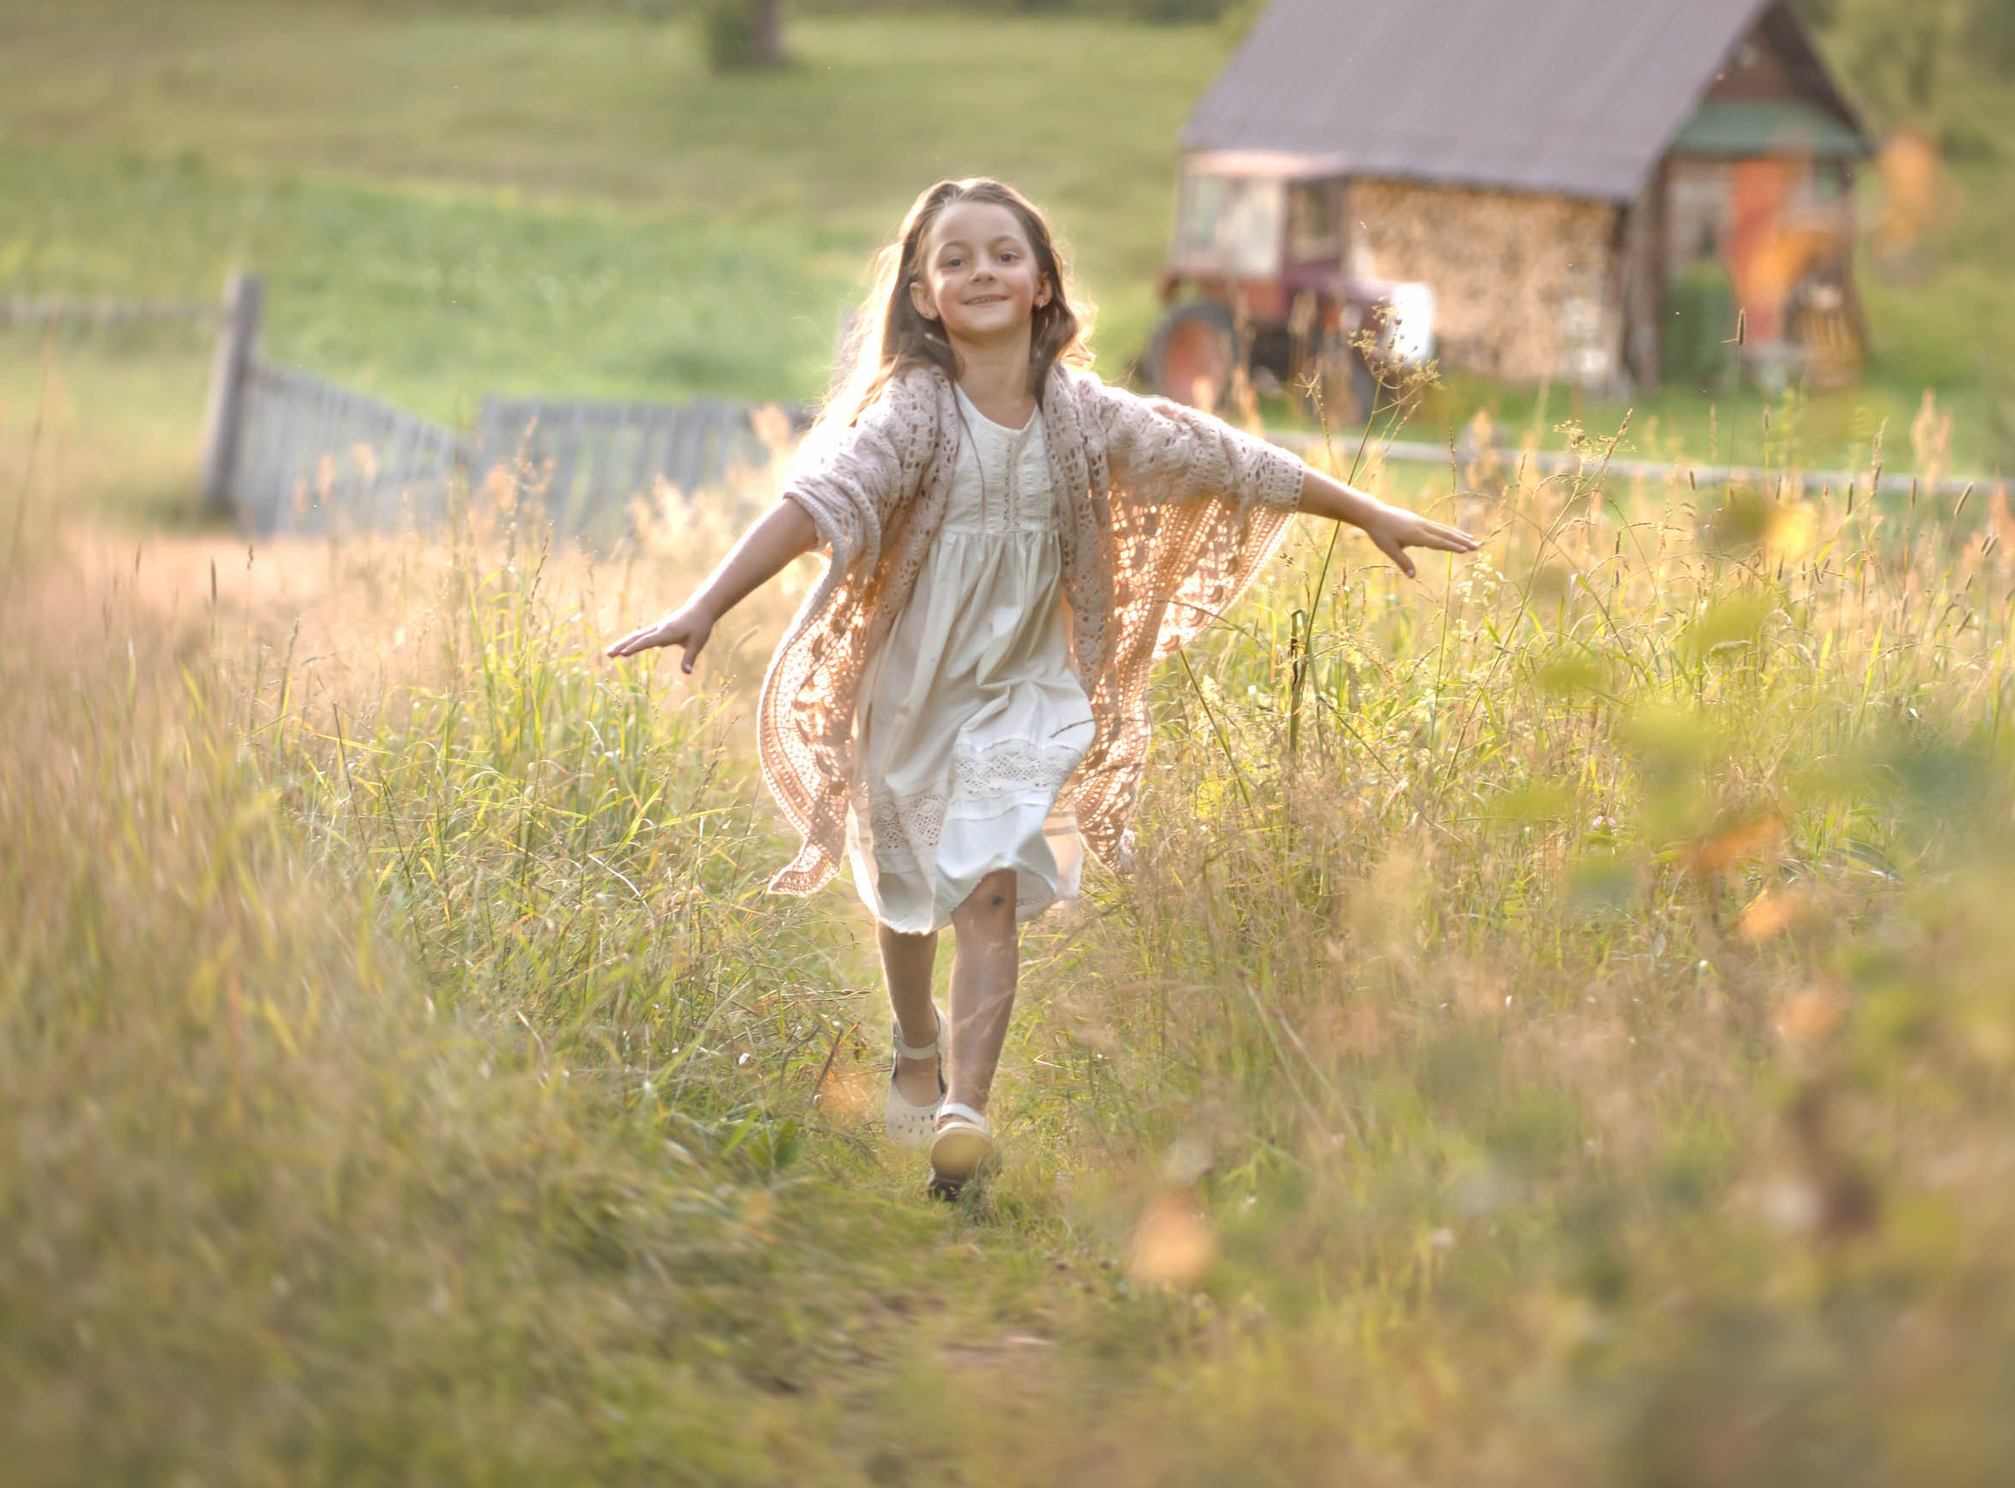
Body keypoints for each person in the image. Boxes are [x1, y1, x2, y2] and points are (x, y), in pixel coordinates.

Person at [608, 177, 1476, 1199]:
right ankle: (914, 1042)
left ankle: (964, 1115)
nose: (981, 271)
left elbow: (1230, 460)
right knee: (904, 886)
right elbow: (815, 502)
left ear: (1043, 281)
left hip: (1027, 686)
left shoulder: (1083, 418)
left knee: (989, 891)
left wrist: (1365, 507)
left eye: (1003, 253)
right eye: (955, 258)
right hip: (912, 685)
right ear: (924, 294)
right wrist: (706, 603)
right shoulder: (909, 417)